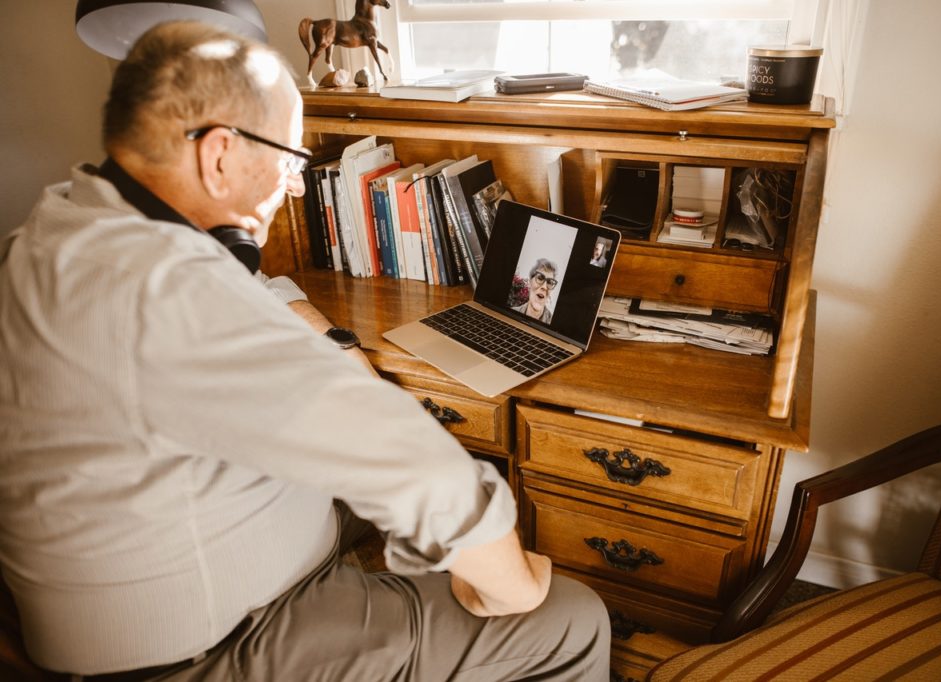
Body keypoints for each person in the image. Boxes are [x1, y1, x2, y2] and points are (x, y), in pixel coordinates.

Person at [0, 21, 609, 680]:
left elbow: (238, 293)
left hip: (119, 588)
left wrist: (324, 338)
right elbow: (420, 471)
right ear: (220, 155)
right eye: (290, 157)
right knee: (570, 619)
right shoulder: (170, 292)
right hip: (206, 652)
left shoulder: (51, 229)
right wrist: (511, 585)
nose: (295, 184)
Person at [512, 258, 558, 324]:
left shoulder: (553, 324)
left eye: (550, 282)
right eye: (540, 278)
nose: (544, 287)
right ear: (530, 282)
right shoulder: (513, 313)